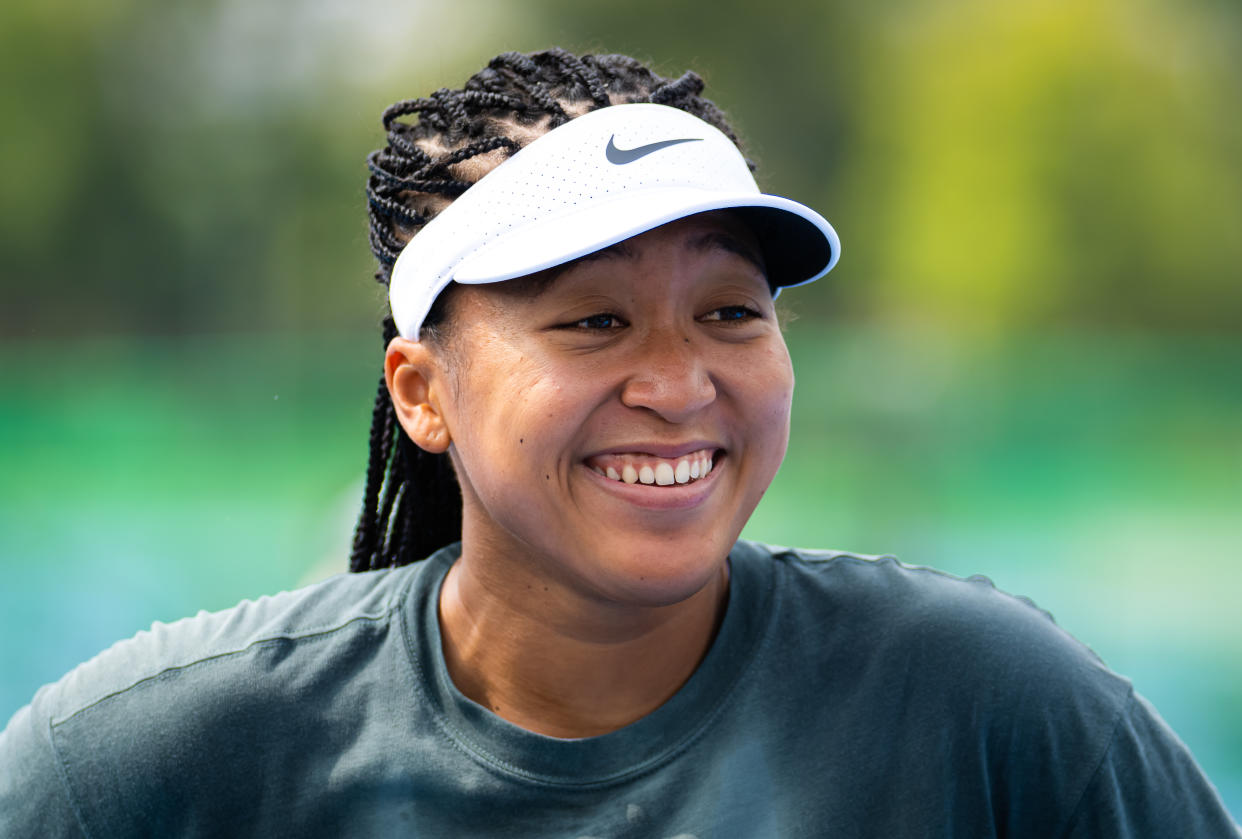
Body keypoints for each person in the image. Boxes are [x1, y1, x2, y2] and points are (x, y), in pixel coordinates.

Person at [1, 47, 1237, 837]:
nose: (678, 380)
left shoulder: (990, 710)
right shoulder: (148, 759)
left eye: (730, 313)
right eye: (595, 320)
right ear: (423, 393)